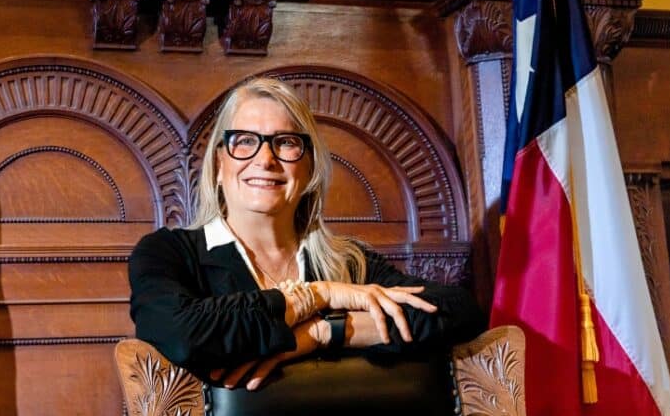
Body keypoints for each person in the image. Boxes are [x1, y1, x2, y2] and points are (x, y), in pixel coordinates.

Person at [128, 77, 484, 391]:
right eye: (245, 141)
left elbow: (458, 312)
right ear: (220, 164)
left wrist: (322, 333)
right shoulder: (168, 253)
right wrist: (316, 295)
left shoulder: (349, 261)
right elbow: (185, 334)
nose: (265, 159)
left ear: (309, 166)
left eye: (284, 142)